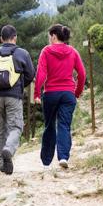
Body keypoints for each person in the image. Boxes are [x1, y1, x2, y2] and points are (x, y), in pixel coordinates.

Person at [34, 24, 86, 170]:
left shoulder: (46, 51)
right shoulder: (73, 52)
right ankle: (63, 157)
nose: (49, 39)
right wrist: (77, 92)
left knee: (49, 125)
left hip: (51, 93)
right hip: (68, 94)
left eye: (49, 36)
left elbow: (41, 73)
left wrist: (37, 92)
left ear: (54, 36)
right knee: (64, 125)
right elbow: (82, 74)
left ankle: (46, 163)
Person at [0, 25, 35, 175]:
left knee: (0, 129)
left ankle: (2, 163)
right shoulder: (22, 53)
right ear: (15, 37)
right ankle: (9, 150)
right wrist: (19, 85)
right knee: (16, 127)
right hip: (13, 96)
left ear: (1, 39)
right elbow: (31, 75)